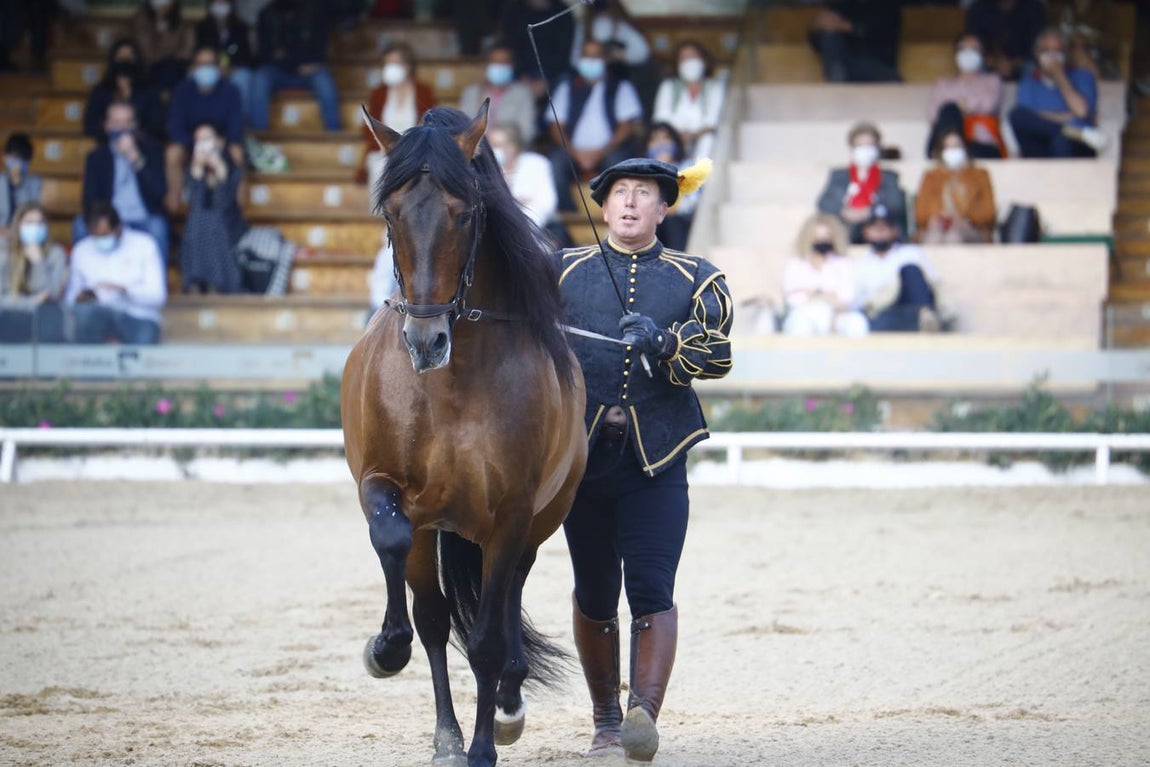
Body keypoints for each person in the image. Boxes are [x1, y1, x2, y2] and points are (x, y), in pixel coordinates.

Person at [556, 157, 733, 763]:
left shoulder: (698, 276)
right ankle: (605, 715)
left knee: (653, 588)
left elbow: (718, 356)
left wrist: (664, 344)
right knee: (594, 591)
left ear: (664, 208)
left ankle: (642, 717)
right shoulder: (561, 271)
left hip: (656, 460)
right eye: (620, 194)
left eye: (645, 194)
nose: (630, 203)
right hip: (580, 465)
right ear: (603, 208)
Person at [546, 38, 643, 212]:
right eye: (586, 56)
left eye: (595, 56)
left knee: (619, 164)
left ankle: (617, 212)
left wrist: (600, 152)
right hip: (573, 152)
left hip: (608, 151)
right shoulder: (567, 87)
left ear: (605, 60)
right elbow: (555, 126)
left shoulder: (620, 87)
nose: (590, 61)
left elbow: (626, 127)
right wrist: (575, 153)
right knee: (555, 164)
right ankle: (569, 217)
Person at [77, 101, 170, 264]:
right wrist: (105, 220)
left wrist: (136, 158)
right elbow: (88, 199)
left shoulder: (151, 152)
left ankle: (156, 286)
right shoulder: (97, 158)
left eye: (128, 123)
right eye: (117, 123)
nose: (123, 129)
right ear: (107, 126)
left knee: (159, 227)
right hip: (109, 220)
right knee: (79, 224)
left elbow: (159, 193)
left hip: (143, 219)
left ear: (136, 125)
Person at [65, 200, 166, 345]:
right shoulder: (81, 250)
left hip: (137, 315)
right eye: (96, 235)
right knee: (81, 321)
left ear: (118, 228)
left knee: (144, 336)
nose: (101, 239)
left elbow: (158, 297)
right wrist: (81, 297)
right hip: (97, 315)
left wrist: (125, 290)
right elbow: (70, 299)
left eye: (105, 234)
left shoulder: (144, 245)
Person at [164, 45, 246, 213]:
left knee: (238, 153)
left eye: (210, 64)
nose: (205, 69)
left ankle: (238, 207)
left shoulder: (231, 91)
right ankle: (175, 204)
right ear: (193, 68)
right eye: (201, 64)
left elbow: (236, 127)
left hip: (221, 143)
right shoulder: (182, 90)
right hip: (190, 143)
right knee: (172, 153)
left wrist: (219, 143)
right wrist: (196, 142)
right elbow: (175, 127)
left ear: (218, 68)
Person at [1009, 27, 1106, 159]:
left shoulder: (1083, 76)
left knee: (1060, 140)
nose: (1052, 56)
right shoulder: (1028, 82)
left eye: (1057, 51)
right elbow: (1029, 119)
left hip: (1078, 145)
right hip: (1042, 144)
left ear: (1065, 54)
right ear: (1037, 54)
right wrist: (1066, 119)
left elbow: (1081, 112)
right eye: (1046, 51)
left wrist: (1060, 77)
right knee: (1016, 115)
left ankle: (1070, 134)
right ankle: (1071, 132)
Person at [250, 0, 342, 133]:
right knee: (260, 78)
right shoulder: (266, 14)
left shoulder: (314, 12)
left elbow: (319, 53)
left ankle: (334, 133)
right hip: (279, 72)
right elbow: (264, 55)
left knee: (324, 80)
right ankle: (259, 136)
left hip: (307, 73)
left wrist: (284, 56)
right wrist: (297, 60)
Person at [853, 204, 941, 333]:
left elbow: (933, 283)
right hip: (883, 314)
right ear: (865, 232)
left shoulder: (911, 253)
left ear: (895, 230)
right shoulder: (860, 264)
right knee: (877, 324)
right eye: (874, 227)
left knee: (910, 269)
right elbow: (857, 302)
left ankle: (926, 317)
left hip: (911, 309)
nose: (880, 231)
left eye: (885, 227)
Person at [359, 42, 436, 188]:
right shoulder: (378, 93)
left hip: (416, 151)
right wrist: (388, 146)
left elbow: (432, 124)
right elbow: (368, 128)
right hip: (384, 151)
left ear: (407, 66)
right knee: (381, 167)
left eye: (394, 63)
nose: (389, 68)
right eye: (387, 64)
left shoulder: (424, 92)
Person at [180, 122, 246, 294]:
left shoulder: (232, 170)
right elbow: (195, 205)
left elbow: (225, 207)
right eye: (199, 140)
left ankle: (210, 282)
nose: (204, 144)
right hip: (199, 228)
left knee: (209, 220)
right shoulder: (191, 170)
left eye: (208, 139)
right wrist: (198, 175)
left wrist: (220, 174)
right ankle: (201, 282)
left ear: (219, 143)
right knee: (199, 219)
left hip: (228, 225)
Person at [816, 121, 907, 245]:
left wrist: (870, 212)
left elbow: (896, 204)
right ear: (852, 148)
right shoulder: (838, 175)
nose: (865, 150)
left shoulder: (889, 176)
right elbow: (824, 203)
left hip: (878, 230)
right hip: (846, 228)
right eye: (860, 146)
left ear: (877, 147)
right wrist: (843, 211)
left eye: (869, 146)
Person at [782, 213, 867, 337]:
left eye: (826, 238)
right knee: (800, 326)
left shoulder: (844, 264)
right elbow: (792, 297)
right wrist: (821, 294)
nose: (822, 242)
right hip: (804, 313)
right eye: (817, 238)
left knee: (856, 323)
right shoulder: (796, 264)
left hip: (838, 314)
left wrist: (818, 294)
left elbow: (848, 297)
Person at [926, 34, 1006, 159]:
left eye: (974, 49)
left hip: (981, 144)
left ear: (982, 54)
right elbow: (933, 114)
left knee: (950, 108)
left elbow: (989, 105)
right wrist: (960, 108)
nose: (968, 53)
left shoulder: (992, 81)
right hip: (944, 147)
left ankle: (954, 147)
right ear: (956, 54)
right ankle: (952, 146)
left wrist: (958, 106)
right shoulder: (943, 84)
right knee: (949, 110)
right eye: (964, 49)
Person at [486, 122, 567, 246]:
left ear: (513, 146)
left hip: (539, 230)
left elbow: (547, 202)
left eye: (497, 145)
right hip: (498, 232)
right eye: (490, 145)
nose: (492, 149)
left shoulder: (537, 164)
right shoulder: (486, 168)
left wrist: (522, 229)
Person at [0, 203, 68, 343]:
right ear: (18, 225)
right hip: (10, 317)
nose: (34, 227)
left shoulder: (56, 253)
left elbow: (51, 296)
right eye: (29, 223)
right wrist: (31, 302)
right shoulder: (5, 252)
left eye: (39, 223)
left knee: (50, 317)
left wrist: (38, 262)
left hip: (43, 320)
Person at [915, 129, 997, 244]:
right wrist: (938, 217)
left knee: (954, 235)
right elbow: (920, 214)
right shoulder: (931, 177)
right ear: (941, 151)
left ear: (965, 149)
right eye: (948, 147)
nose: (953, 151)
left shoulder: (980, 175)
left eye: (956, 146)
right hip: (936, 227)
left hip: (971, 229)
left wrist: (965, 218)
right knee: (935, 236)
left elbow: (989, 213)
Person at [651, 40, 724, 163]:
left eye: (693, 56)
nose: (689, 61)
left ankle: (700, 180)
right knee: (661, 143)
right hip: (673, 138)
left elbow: (713, 122)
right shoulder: (668, 86)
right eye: (684, 58)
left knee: (708, 141)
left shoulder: (715, 88)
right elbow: (661, 119)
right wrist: (677, 137)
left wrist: (691, 136)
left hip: (701, 138)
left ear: (704, 61)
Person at [82, 38, 167, 142]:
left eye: (129, 57)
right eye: (121, 57)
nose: (125, 61)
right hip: (107, 146)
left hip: (142, 146)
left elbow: (157, 126)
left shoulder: (149, 91)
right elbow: (90, 125)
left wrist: (135, 136)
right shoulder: (101, 91)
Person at [459, 44, 538, 147]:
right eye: (495, 62)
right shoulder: (471, 93)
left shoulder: (523, 94)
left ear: (512, 66)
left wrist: (502, 142)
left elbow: (527, 131)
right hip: (479, 152)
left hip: (513, 151)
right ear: (486, 65)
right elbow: (465, 127)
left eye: (504, 63)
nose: (500, 66)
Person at [808, 0, 902, 83]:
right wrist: (818, 26)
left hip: (877, 63)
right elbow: (818, 42)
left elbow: (882, 32)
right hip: (844, 64)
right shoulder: (843, 4)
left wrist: (847, 26)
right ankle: (837, 82)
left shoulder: (888, 4)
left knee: (892, 80)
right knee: (829, 34)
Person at [194, 0, 257, 119]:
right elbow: (198, 52)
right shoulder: (202, 27)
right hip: (208, 67)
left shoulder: (240, 27)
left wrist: (231, 68)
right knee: (194, 77)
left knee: (244, 78)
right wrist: (213, 68)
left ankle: (241, 121)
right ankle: (202, 121)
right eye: (217, 2)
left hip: (234, 69)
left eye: (223, 2)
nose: (220, 5)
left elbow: (246, 56)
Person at [644, 122, 698, 252]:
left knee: (671, 221)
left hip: (682, 223)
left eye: (665, 138)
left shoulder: (688, 168)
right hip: (653, 223)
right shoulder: (641, 173)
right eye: (655, 140)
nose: (660, 144)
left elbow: (692, 203)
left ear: (675, 143)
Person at [500, 0, 576, 91]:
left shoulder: (563, 11)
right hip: (521, 73)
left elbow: (564, 52)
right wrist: (522, 76)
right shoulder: (513, 10)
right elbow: (510, 48)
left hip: (554, 74)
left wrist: (546, 80)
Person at [965, 0, 1046, 81]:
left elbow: (1037, 46)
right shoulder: (978, 9)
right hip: (990, 63)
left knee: (1034, 65)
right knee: (974, 63)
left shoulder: (1034, 7)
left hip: (1021, 63)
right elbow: (973, 44)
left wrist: (1013, 63)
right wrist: (995, 62)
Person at [132, 0, 196, 94]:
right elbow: (144, 49)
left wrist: (169, 56)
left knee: (171, 70)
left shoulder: (182, 23)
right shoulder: (141, 20)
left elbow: (187, 50)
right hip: (148, 67)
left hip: (174, 68)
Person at [1, 133, 43, 232]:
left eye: (23, 159)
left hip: (24, 231)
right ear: (5, 157)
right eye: (15, 157)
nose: (19, 162)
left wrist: (20, 187)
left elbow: (31, 212)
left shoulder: (34, 182)